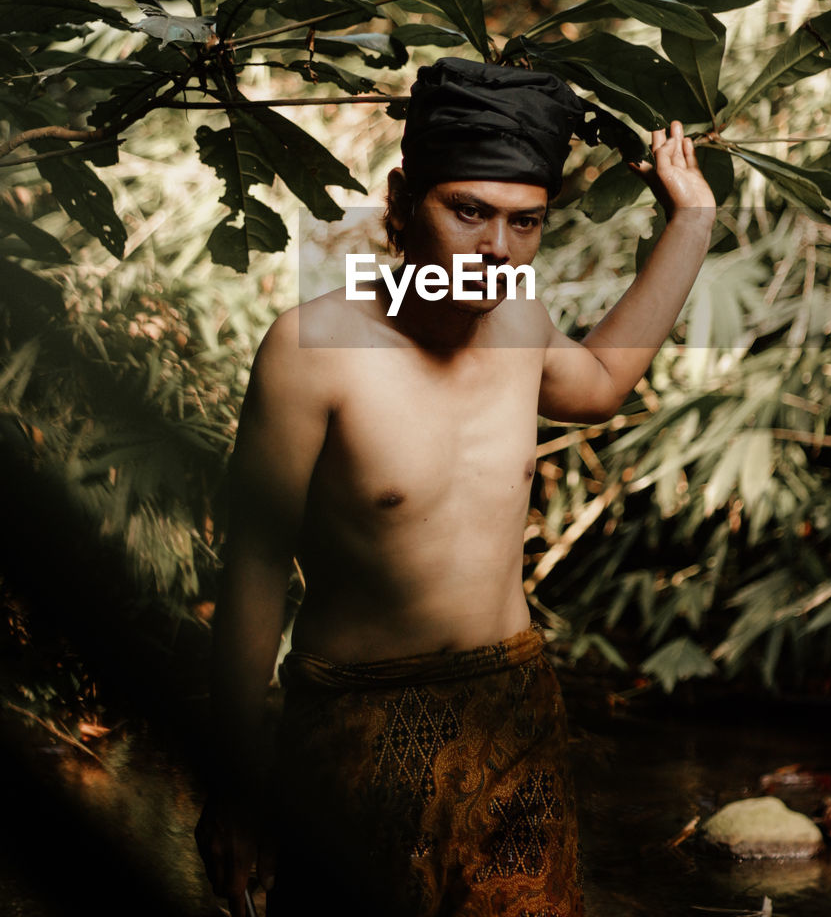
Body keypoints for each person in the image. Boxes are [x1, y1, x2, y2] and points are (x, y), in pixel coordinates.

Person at [195, 57, 716, 917]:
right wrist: (235, 779)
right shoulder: (311, 345)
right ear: (402, 202)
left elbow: (596, 388)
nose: (495, 249)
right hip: (356, 727)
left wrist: (689, 221)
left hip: (513, 709)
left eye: (524, 222)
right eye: (468, 212)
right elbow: (252, 566)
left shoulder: (518, 318)